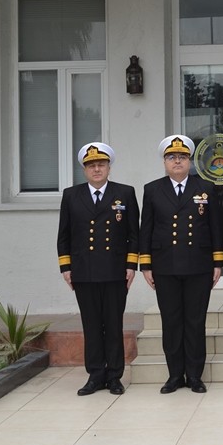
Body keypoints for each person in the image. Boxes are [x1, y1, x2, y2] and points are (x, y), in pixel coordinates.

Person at [138, 135, 223, 394]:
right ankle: (175, 375)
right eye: (172, 157)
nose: (177, 161)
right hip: (165, 266)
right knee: (172, 321)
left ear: (190, 161)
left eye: (182, 157)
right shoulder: (152, 189)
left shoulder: (206, 187)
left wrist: (217, 262)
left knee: (195, 321)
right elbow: (147, 229)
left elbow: (215, 227)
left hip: (198, 265)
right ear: (164, 162)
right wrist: (146, 265)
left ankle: (195, 376)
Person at [56, 142, 139, 396]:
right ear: (84, 169)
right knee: (91, 324)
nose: (97, 169)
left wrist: (131, 265)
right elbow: (64, 235)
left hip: (115, 271)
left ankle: (114, 376)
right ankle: (95, 375)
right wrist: (66, 267)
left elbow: (133, 233)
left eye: (101, 164)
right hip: (84, 271)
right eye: (91, 165)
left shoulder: (124, 193)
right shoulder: (72, 195)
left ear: (109, 167)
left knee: (113, 323)